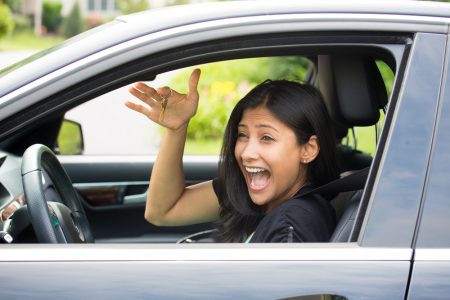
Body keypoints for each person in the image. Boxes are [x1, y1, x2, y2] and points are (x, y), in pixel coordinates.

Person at [125, 68, 339, 243]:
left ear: (308, 150)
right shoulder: (253, 196)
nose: (247, 153)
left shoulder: (292, 225)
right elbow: (162, 211)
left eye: (266, 138)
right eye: (243, 135)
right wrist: (176, 129)